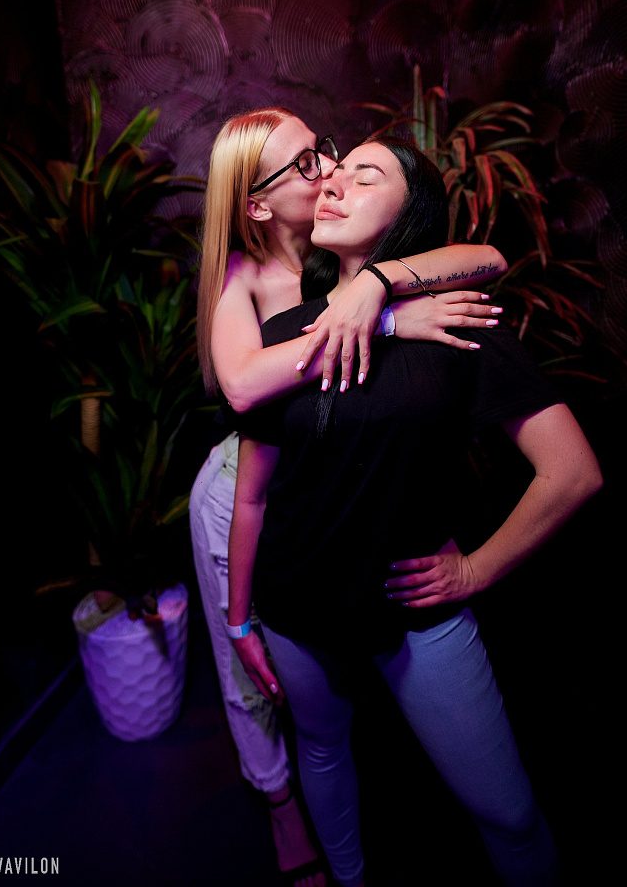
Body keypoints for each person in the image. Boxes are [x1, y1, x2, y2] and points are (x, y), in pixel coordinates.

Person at [226, 135, 603, 887]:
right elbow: (253, 494)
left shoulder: (458, 321)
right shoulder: (282, 334)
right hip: (296, 603)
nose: (333, 184)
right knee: (323, 749)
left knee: (510, 815)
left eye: (364, 177)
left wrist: (475, 571)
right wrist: (240, 620)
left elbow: (572, 472)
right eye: (334, 173)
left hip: (415, 613)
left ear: (409, 216)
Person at [190, 109, 508, 887]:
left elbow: (488, 257)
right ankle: (279, 807)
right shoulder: (244, 274)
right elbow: (243, 385)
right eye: (306, 164)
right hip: (240, 489)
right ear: (257, 203)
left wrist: (376, 284)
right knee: (251, 678)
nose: (328, 169)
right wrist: (387, 318)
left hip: (316, 484)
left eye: (324, 151)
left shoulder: (339, 248)